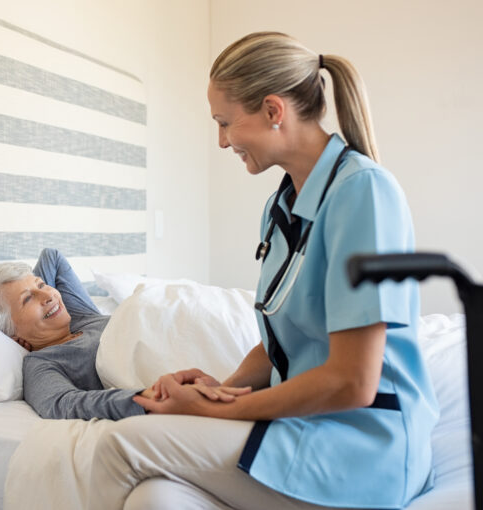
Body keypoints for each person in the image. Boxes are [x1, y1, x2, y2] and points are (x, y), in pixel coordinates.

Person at [87, 32, 439, 510]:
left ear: (274, 111)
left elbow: (353, 381)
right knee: (157, 498)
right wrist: (218, 390)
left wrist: (224, 410)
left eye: (225, 122)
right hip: (304, 425)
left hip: (363, 445)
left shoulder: (363, 192)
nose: (221, 140)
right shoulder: (281, 205)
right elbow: (284, 341)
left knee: (120, 443)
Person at [0, 248, 152, 420]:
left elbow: (52, 257)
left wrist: (32, 293)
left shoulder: (80, 316)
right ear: (12, 335)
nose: (49, 295)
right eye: (27, 299)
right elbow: (63, 404)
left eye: (41, 285)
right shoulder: (43, 363)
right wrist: (147, 399)